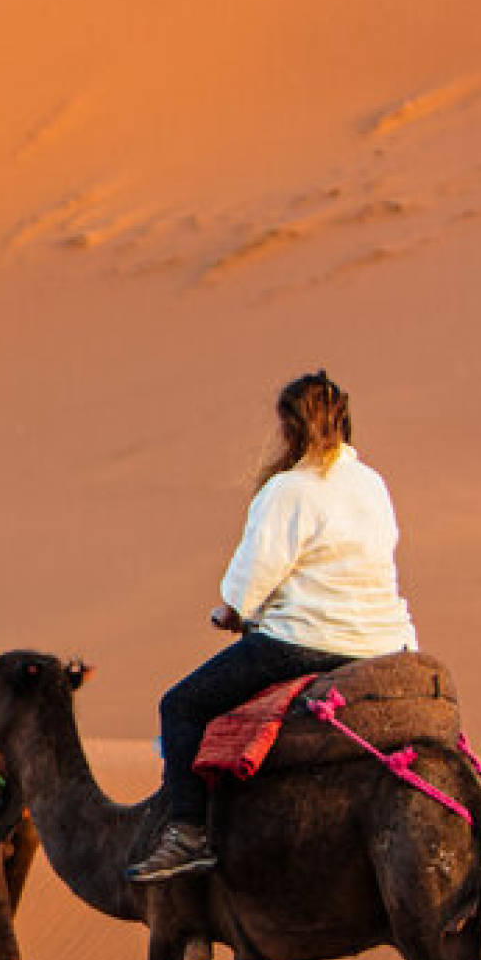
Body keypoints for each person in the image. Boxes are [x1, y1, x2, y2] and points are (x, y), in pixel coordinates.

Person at [130, 370, 420, 883]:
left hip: (307, 641)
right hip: (384, 642)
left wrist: (230, 612)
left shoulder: (289, 489)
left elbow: (251, 580)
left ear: (290, 428)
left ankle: (188, 834)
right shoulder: (372, 483)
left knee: (181, 705)